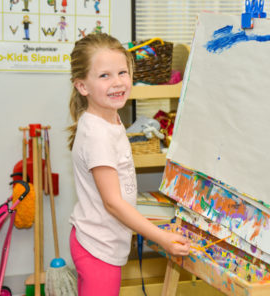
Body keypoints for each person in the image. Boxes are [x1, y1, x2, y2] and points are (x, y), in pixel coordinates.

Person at [67, 33, 190, 295]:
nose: (118, 82)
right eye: (104, 76)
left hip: (99, 242)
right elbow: (113, 202)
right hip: (98, 248)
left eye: (122, 72)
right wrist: (162, 238)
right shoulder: (97, 134)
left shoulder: (110, 118)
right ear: (82, 86)